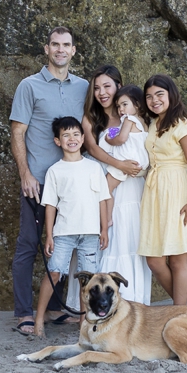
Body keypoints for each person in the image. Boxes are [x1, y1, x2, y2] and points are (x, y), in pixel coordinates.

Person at [8, 27, 90, 335]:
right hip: (39, 182)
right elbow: (17, 132)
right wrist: (25, 174)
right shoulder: (29, 86)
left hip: (72, 184)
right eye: (55, 44)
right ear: (46, 49)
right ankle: (23, 313)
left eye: (66, 45)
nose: (60, 49)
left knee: (64, 246)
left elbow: (99, 126)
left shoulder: (83, 87)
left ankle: (56, 308)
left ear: (73, 50)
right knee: (29, 245)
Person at [68, 68, 152, 308]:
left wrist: (138, 168)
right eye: (96, 88)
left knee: (129, 240)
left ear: (118, 86)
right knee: (104, 240)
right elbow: (93, 149)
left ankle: (132, 301)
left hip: (132, 187)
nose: (101, 92)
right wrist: (120, 165)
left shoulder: (132, 116)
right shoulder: (91, 118)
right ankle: (94, 305)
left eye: (107, 86)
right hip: (105, 182)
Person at [35, 116, 110, 337]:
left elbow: (102, 200)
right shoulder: (55, 170)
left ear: (83, 138)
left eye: (76, 134)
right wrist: (49, 235)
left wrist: (104, 229)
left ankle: (84, 323)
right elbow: (50, 205)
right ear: (57, 141)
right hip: (64, 233)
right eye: (66, 135)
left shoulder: (94, 167)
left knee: (88, 280)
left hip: (90, 233)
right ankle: (39, 318)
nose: (72, 139)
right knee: (54, 273)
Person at [139, 73, 187, 306]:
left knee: (177, 260)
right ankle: (183, 306)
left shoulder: (182, 125)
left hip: (178, 192)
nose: (154, 100)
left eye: (159, 94)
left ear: (171, 95)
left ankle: (179, 311)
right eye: (149, 96)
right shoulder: (153, 123)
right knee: (154, 261)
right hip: (155, 193)